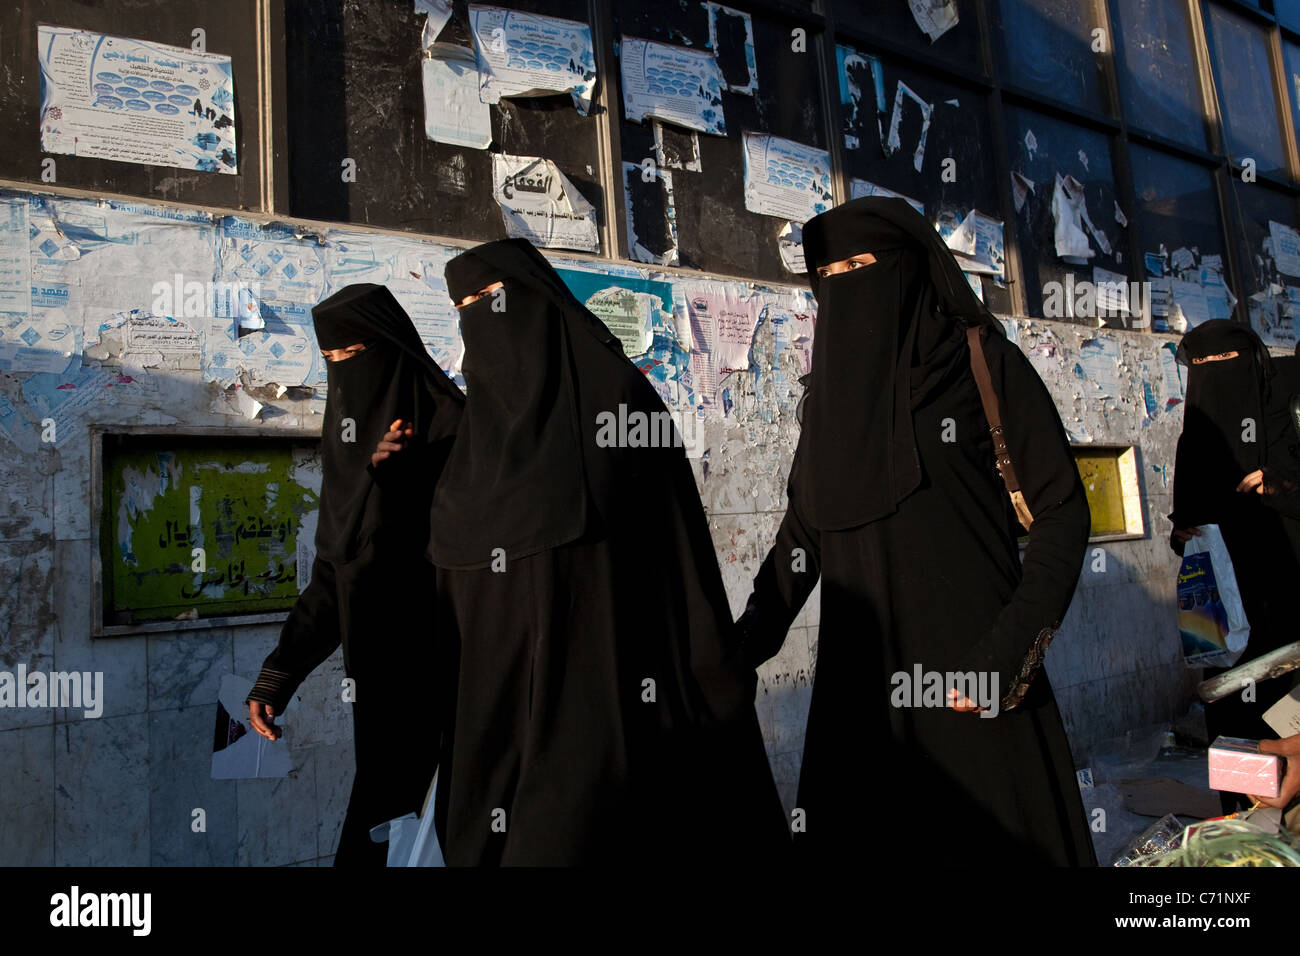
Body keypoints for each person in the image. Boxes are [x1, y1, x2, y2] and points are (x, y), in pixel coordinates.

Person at [376, 237, 790, 865]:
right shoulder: (477, 449)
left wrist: (713, 675)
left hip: (607, 724)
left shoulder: (618, 405)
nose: (478, 318)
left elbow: (679, 566)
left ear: (538, 299)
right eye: (463, 305)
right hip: (492, 738)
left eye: (490, 299)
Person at [734, 196, 1096, 866]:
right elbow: (801, 539)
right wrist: (742, 647)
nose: (845, 285)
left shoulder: (980, 364)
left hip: (969, 687)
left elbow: (1063, 512)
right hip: (858, 707)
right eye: (829, 273)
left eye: (860, 265)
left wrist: (1005, 654)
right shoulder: (828, 402)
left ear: (906, 267)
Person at [246, 283, 464, 866]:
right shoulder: (353, 456)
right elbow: (335, 569)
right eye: (332, 362)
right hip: (383, 698)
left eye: (355, 356)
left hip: (459, 684)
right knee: (387, 833)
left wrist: (406, 483)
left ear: (391, 350)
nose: (346, 373)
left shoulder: (456, 434)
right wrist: (279, 674)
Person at [1169, 320, 1300, 811]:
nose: (1213, 378)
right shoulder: (1196, 441)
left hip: (1287, 620)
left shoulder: (1287, 421)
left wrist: (1282, 488)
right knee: (1231, 733)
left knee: (1286, 734)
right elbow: (1185, 519)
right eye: (1201, 368)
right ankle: (1241, 829)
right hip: (1222, 626)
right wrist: (1181, 535)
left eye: (1226, 365)